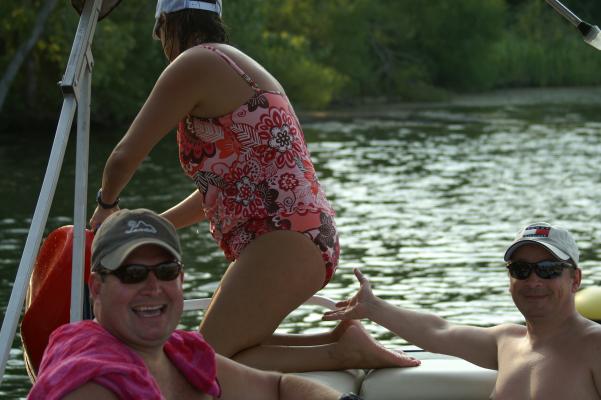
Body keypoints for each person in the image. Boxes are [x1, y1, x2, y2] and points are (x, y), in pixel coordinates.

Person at [88, 0, 418, 372]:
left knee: (204, 363)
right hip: (306, 233)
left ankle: (344, 353)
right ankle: (339, 341)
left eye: (158, 34)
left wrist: (107, 206)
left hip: (281, 237)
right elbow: (224, 186)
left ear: (166, 23)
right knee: (218, 351)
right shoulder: (239, 65)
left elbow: (125, 155)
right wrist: (154, 225)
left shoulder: (194, 62)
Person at [29, 208, 360, 400]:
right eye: (133, 274)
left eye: (166, 271)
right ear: (97, 288)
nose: (152, 287)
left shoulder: (182, 353)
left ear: (181, 279)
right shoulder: (89, 384)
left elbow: (278, 386)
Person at [323, 222, 601, 400]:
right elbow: (438, 331)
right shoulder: (507, 341)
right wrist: (374, 308)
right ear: (510, 279)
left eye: (548, 269)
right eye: (521, 269)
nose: (533, 280)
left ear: (575, 279)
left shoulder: (595, 345)